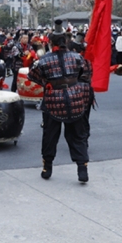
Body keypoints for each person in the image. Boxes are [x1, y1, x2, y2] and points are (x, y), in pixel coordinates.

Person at [27, 20, 94, 183]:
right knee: (77, 136)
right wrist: (73, 81)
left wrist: (47, 82)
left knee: (50, 135)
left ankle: (47, 167)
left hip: (53, 100)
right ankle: (82, 168)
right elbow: (87, 73)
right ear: (66, 41)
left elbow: (32, 75)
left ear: (50, 42)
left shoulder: (43, 60)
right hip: (74, 97)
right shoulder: (77, 57)